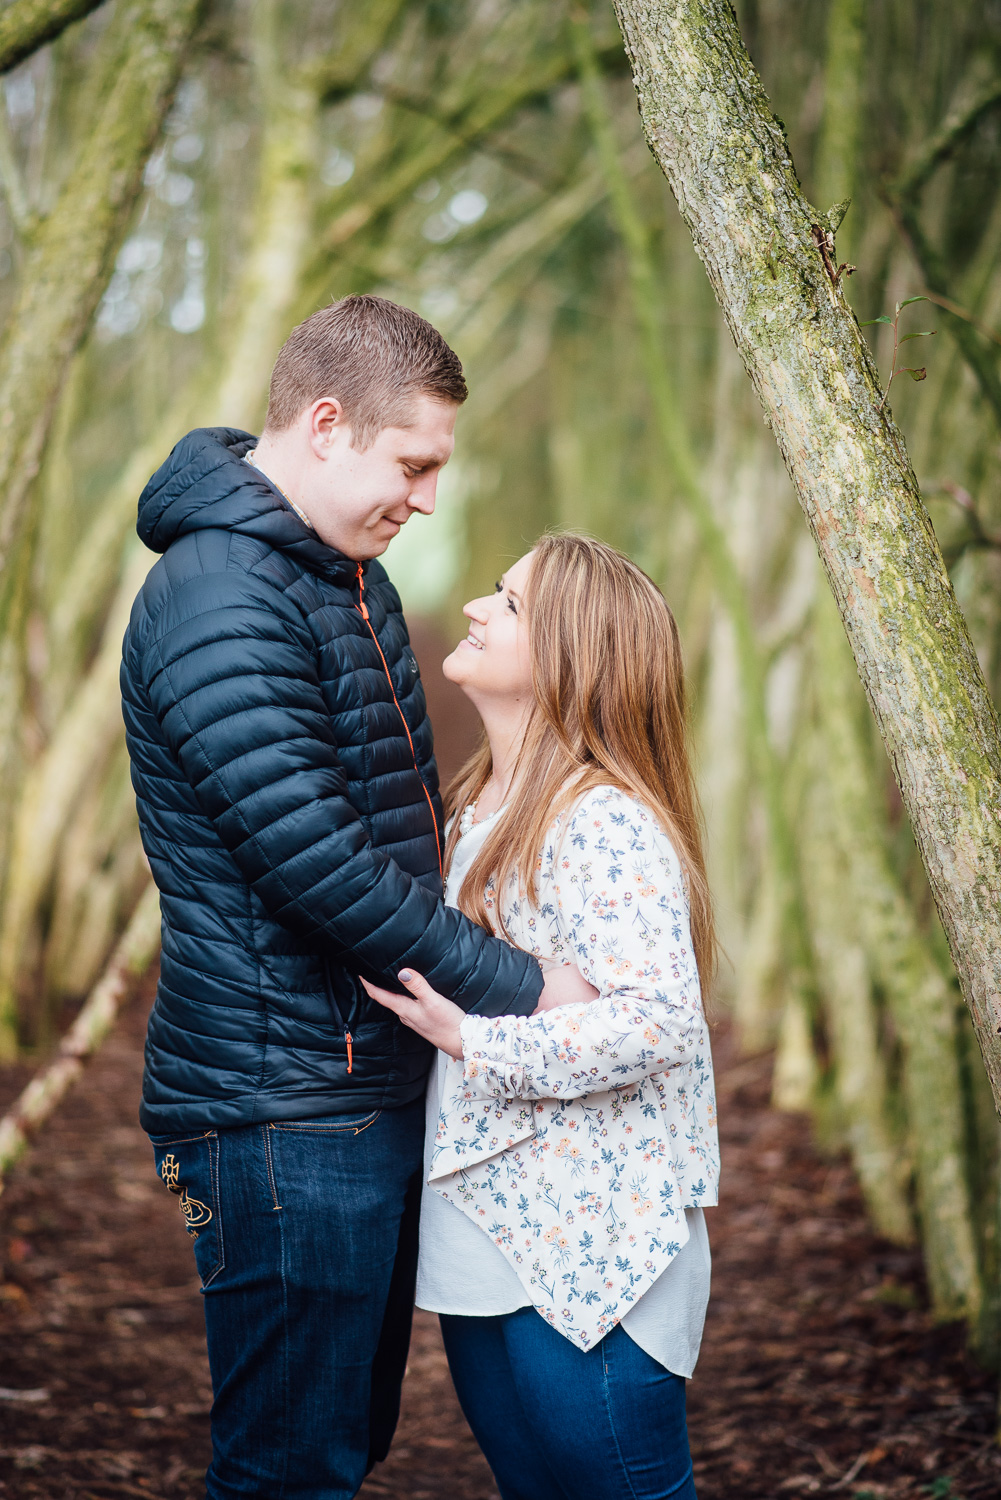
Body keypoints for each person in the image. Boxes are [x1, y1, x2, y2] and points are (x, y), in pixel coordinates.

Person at [120, 295, 585, 1500]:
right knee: (290, 1469)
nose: (427, 497)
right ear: (325, 423)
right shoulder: (221, 595)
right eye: (412, 462)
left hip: (354, 1086)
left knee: (341, 1444)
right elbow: (318, 863)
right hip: (281, 1108)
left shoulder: (348, 582)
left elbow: (399, 831)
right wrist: (525, 990)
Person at [362, 533, 720, 1500]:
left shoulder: (601, 820)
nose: (478, 609)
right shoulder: (481, 801)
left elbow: (658, 1022)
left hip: (590, 1242)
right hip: (490, 1220)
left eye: (508, 604)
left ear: (571, 657)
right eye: (491, 591)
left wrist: (472, 1038)